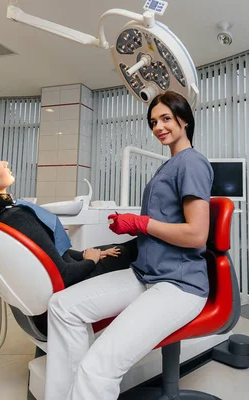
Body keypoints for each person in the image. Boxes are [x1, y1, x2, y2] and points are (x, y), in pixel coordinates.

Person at [45, 91, 214, 400]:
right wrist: (127, 230)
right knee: (62, 307)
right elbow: (161, 226)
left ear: (184, 119)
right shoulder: (170, 164)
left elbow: (196, 235)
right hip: (147, 274)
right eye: (153, 122)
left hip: (179, 284)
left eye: (165, 118)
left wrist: (139, 223)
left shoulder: (193, 163)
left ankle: (88, 385)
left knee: (96, 367)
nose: (159, 127)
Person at [0, 146, 136, 290]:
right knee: (143, 245)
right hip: (79, 278)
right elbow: (64, 276)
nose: (5, 163)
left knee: (130, 246)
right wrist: (91, 261)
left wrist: (85, 255)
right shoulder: (16, 218)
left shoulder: (5, 216)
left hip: (76, 265)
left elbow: (54, 257)